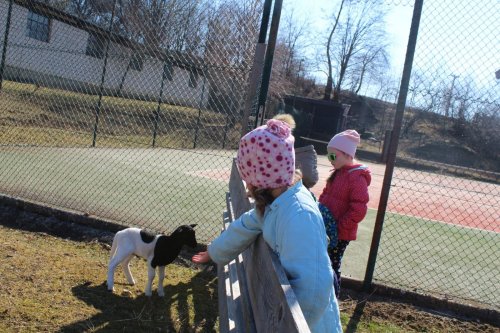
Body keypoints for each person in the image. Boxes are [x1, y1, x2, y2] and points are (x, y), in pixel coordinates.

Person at [192, 119, 342, 333]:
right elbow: (247, 224)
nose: (247, 186)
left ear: (259, 179)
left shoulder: (299, 215)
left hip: (311, 325)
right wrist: (214, 251)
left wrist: (284, 328)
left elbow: (314, 289)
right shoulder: (277, 202)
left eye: (249, 180)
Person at [319, 129, 371, 297]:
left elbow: (359, 209)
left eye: (333, 156)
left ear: (348, 155)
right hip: (327, 228)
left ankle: (332, 297)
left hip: (340, 234)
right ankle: (319, 293)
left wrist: (340, 226)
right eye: (329, 156)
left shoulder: (357, 178)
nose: (330, 160)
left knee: (332, 264)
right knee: (321, 260)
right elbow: (325, 195)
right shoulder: (338, 173)